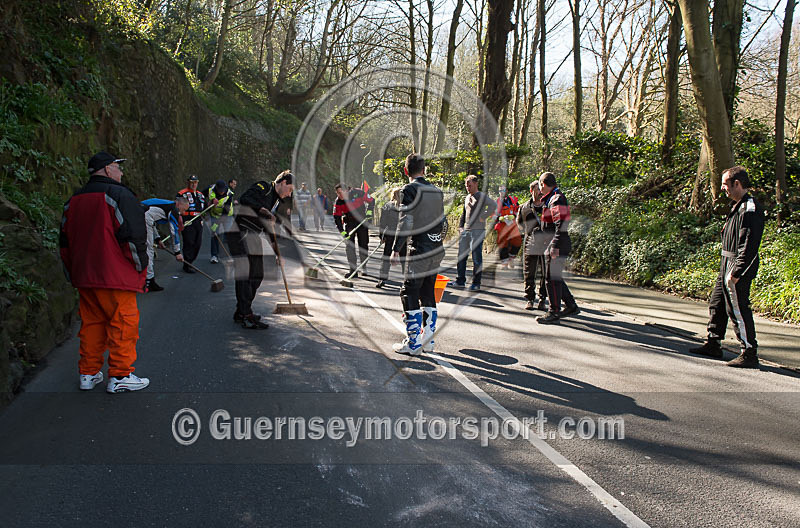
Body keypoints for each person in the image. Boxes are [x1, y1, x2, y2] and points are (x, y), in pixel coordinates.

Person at [59, 151, 150, 393]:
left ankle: (88, 373)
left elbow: (64, 241)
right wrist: (142, 268)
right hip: (114, 274)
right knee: (123, 323)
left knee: (92, 324)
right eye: (118, 168)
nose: (121, 173)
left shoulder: (74, 199)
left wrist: (72, 272)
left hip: (84, 275)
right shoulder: (119, 195)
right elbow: (133, 235)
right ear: (108, 169)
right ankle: (120, 375)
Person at [690, 166, 765, 368]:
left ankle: (749, 352)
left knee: (737, 308)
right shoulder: (736, 205)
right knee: (717, 304)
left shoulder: (750, 209)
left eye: (725, 184)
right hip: (726, 262)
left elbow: (750, 243)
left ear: (737, 184)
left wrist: (737, 271)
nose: (723, 188)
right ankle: (713, 343)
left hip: (738, 264)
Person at [391, 154, 446, 355]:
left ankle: (413, 343)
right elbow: (443, 223)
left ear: (406, 171)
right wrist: (436, 240)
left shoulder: (409, 189)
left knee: (409, 292)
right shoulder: (437, 191)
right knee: (428, 292)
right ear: (424, 170)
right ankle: (427, 341)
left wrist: (396, 248)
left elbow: (406, 220)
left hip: (419, 249)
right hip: (436, 248)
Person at [229, 170, 294, 329]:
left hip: (254, 236)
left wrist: (278, 253)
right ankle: (245, 314)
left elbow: (270, 229)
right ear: (283, 182)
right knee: (245, 274)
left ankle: (241, 311)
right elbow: (245, 199)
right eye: (290, 189)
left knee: (258, 273)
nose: (290, 194)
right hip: (239, 232)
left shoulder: (277, 203)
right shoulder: (264, 187)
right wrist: (263, 210)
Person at [536, 172, 580, 324]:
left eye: (540, 185)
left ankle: (554, 311)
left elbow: (561, 224)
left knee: (551, 278)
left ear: (543, 184)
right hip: (555, 242)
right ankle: (570, 305)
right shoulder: (552, 198)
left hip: (557, 243)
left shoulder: (556, 199)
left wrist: (554, 245)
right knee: (555, 277)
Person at [455, 174, 496, 291]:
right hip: (466, 231)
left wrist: (484, 216)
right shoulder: (467, 197)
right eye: (466, 186)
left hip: (477, 231)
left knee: (476, 258)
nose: (468, 188)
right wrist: (460, 226)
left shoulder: (481, 196)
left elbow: (493, 205)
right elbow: (464, 213)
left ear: (476, 184)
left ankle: (476, 283)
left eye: (470, 185)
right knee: (461, 256)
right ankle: (460, 281)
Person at [142, 196, 188, 291]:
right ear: (179, 204)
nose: (183, 214)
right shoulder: (174, 210)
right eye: (183, 210)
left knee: (146, 249)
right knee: (149, 250)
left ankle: (146, 279)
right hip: (142, 217)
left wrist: (158, 239)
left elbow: (152, 220)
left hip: (142, 215)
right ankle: (149, 281)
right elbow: (174, 232)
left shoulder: (166, 205)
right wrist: (177, 252)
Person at [517, 181, 549, 311]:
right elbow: (519, 223)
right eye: (537, 189)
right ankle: (530, 298)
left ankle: (542, 299)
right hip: (530, 242)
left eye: (541, 189)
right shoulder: (524, 207)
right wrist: (528, 233)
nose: (540, 192)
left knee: (546, 273)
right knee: (529, 272)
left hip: (546, 243)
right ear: (531, 191)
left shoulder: (548, 206)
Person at [333, 183, 373, 278]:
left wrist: (369, 213)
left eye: (340, 192)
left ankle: (364, 266)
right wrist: (343, 232)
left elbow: (372, 201)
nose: (339, 195)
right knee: (349, 246)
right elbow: (337, 218)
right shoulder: (338, 202)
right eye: (337, 193)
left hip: (362, 222)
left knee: (363, 244)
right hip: (350, 223)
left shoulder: (358, 193)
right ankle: (353, 270)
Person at [176, 175, 209, 273]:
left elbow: (205, 208)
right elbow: (177, 207)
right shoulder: (182, 194)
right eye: (191, 182)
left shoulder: (200, 195)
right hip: (187, 219)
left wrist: (212, 203)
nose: (193, 184)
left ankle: (190, 261)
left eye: (195, 182)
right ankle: (187, 264)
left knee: (197, 243)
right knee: (189, 242)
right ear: (188, 182)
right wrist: (180, 219)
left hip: (198, 221)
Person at [376, 187, 407, 288]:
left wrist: (381, 235)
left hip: (390, 234)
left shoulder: (388, 206)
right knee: (404, 258)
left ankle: (382, 278)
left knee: (386, 256)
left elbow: (382, 222)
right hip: (403, 235)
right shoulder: (406, 207)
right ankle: (407, 280)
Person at [494, 185, 522, 268]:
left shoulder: (513, 200)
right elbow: (493, 215)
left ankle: (511, 258)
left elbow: (518, 210)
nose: (501, 192)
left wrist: (514, 215)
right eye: (500, 191)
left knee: (517, 241)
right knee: (502, 244)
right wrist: (500, 218)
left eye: (503, 190)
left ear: (507, 191)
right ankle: (504, 263)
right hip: (502, 225)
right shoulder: (496, 203)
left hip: (512, 225)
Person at [207, 179, 234, 263]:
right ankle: (214, 255)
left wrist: (216, 224)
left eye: (223, 190)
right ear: (217, 188)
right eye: (220, 191)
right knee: (214, 234)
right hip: (214, 214)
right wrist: (210, 201)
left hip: (227, 216)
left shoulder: (229, 194)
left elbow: (225, 212)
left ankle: (231, 255)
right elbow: (201, 196)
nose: (221, 192)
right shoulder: (211, 189)